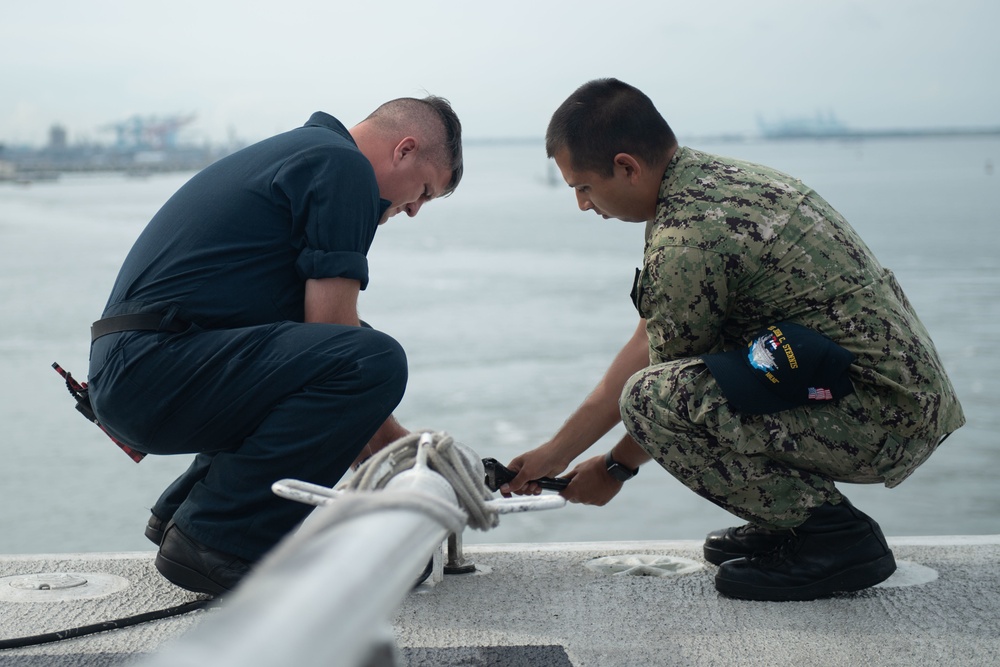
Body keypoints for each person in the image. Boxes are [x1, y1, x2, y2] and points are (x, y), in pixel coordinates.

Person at [504, 79, 964, 601]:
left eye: (582, 187)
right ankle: (786, 518)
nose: (583, 205)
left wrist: (615, 468)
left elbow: (661, 395)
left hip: (884, 415)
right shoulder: (709, 184)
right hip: (897, 393)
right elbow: (648, 342)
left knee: (652, 400)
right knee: (671, 387)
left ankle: (832, 535)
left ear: (627, 167)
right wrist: (553, 455)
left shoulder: (688, 238)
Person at [87, 96, 463, 596]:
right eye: (425, 191)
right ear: (405, 149)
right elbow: (339, 341)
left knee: (353, 350)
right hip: (153, 369)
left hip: (137, 369)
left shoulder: (302, 152)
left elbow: (322, 345)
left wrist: (404, 455)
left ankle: (187, 511)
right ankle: (215, 540)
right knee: (374, 357)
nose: (414, 210)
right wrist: (400, 464)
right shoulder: (343, 166)